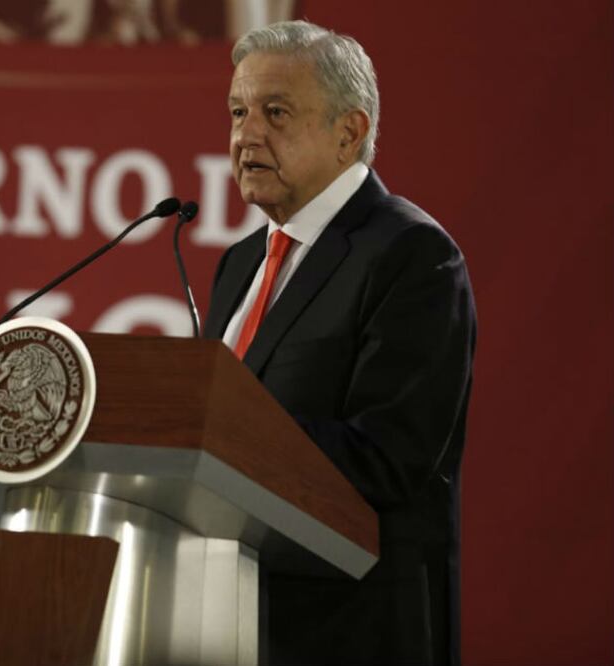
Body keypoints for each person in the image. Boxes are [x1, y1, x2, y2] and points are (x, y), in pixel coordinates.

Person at [203, 20, 476, 666]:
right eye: (237, 112)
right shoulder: (238, 263)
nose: (245, 135)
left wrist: (211, 439)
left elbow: (389, 456)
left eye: (274, 112)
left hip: (351, 632)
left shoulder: (412, 256)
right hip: (225, 618)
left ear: (348, 132)